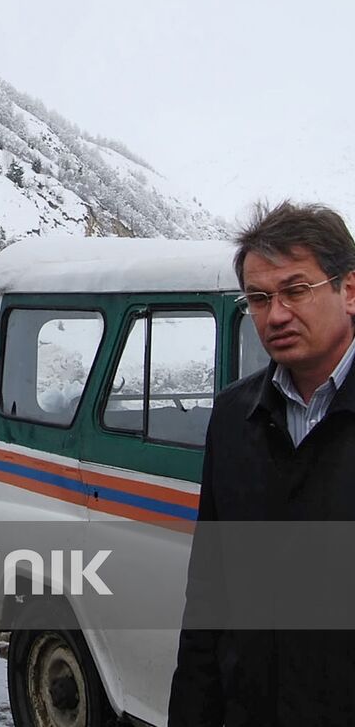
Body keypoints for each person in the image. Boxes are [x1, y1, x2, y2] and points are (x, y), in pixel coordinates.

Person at [170, 201, 355, 725]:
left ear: (349, 290)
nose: (275, 315)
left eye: (296, 291)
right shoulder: (234, 417)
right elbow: (209, 594)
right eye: (258, 298)